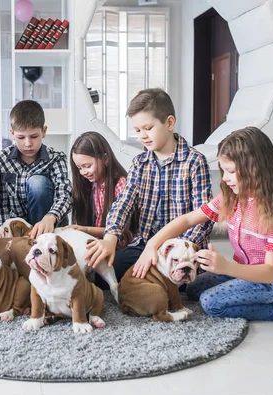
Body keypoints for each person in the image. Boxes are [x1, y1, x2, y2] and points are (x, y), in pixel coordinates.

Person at [135, 127, 273, 320]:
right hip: (245, 271)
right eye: (223, 171)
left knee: (211, 303)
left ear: (255, 169)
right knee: (192, 289)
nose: (224, 178)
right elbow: (188, 219)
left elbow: (272, 272)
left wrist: (225, 267)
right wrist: (152, 244)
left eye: (230, 171)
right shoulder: (230, 197)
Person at [86, 88, 213, 282]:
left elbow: (204, 216)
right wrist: (110, 237)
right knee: (105, 275)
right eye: (137, 130)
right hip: (145, 245)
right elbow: (123, 203)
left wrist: (175, 250)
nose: (142, 136)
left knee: (186, 283)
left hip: (181, 249)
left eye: (148, 128)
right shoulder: (140, 163)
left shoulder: (194, 162)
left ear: (169, 123)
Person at [0, 100, 72, 238]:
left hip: (48, 226)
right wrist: (4, 233)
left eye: (34, 136)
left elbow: (64, 194)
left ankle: (40, 240)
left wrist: (50, 216)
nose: (28, 143)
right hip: (17, 229)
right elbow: (1, 203)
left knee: (37, 182)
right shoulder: (1, 159)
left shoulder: (56, 158)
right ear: (12, 133)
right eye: (21, 137)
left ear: (44, 131)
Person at [65, 131, 137, 247]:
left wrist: (85, 230)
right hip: (95, 243)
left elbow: (122, 231)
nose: (83, 172)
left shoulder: (121, 185)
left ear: (105, 159)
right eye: (79, 168)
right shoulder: (90, 185)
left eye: (87, 166)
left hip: (117, 245)